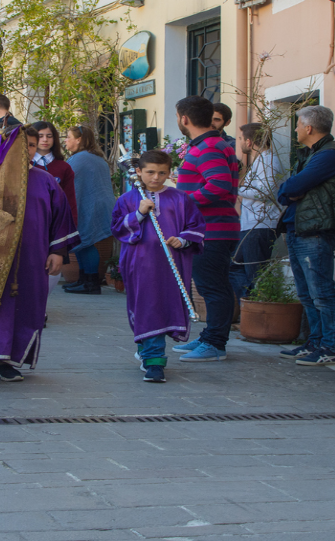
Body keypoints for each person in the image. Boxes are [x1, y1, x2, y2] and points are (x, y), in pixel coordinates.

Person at [0, 125, 79, 382]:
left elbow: (61, 218)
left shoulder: (45, 180)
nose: (26, 151)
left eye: (31, 146)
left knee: (23, 308)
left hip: (30, 260)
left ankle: (3, 361)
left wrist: (57, 250)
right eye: (20, 145)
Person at [112, 150, 206, 383]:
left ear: (169, 173)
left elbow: (196, 225)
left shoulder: (180, 198)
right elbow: (117, 228)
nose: (156, 177)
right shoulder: (127, 200)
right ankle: (154, 360)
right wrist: (139, 214)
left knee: (165, 306)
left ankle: (149, 353)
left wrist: (182, 239)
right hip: (140, 265)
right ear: (139, 172)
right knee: (148, 306)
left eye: (162, 173)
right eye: (150, 172)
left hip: (172, 264)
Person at [274, 105, 335, 366]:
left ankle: (331, 347)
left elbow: (294, 186)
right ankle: (315, 343)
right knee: (307, 293)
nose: (295, 129)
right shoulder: (312, 154)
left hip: (315, 232)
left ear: (309, 128)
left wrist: (291, 190)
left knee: (321, 293)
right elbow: (288, 191)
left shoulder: (330, 155)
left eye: (297, 124)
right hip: (301, 229)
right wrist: (290, 191)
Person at [171, 96, 241, 363]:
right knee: (211, 285)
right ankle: (211, 336)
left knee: (213, 286)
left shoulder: (209, 146)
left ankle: (215, 343)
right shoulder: (207, 144)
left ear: (184, 119)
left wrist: (182, 200)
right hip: (210, 228)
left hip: (214, 230)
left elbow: (219, 185)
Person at [230, 123, 282, 300]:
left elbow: (264, 191)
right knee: (236, 266)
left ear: (250, 142)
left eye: (241, 139)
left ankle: (256, 305)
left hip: (261, 224)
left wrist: (235, 189)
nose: (240, 143)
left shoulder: (269, 160)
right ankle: (250, 302)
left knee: (255, 273)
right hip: (251, 225)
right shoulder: (261, 160)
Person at [63, 125, 114, 295]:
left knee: (84, 240)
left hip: (88, 204)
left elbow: (68, 184)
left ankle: (91, 283)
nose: (66, 141)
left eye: (68, 137)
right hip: (97, 203)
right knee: (84, 240)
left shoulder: (80, 159)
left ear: (79, 140)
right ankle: (84, 280)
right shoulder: (96, 157)